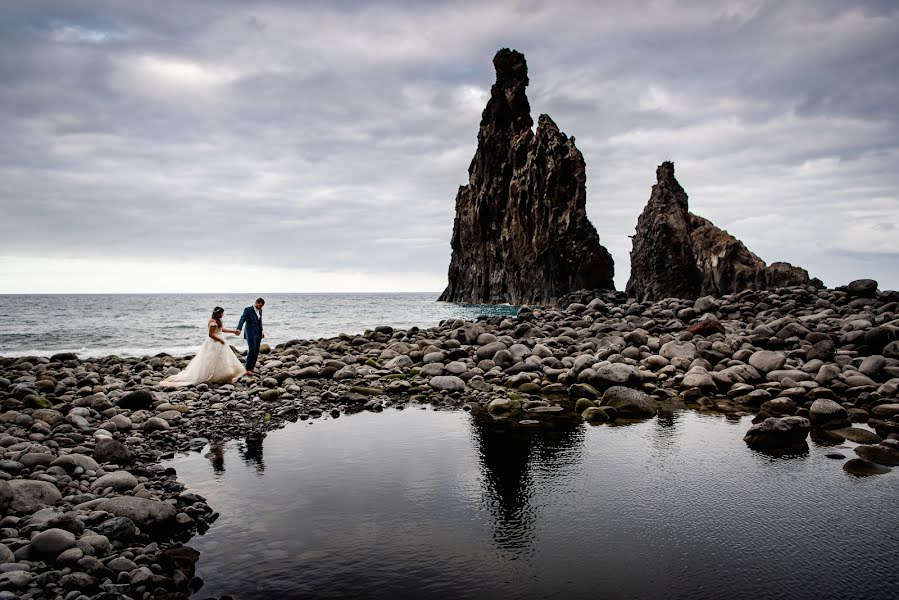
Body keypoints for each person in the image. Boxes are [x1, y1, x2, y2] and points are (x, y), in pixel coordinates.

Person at [159, 307, 245, 387]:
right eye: (222, 313)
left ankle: (222, 376)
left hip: (220, 341)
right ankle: (210, 376)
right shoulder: (212, 322)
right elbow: (211, 334)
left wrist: (233, 331)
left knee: (221, 358)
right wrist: (220, 340)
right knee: (212, 359)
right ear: (218, 313)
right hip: (214, 342)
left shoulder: (218, 320)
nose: (223, 314)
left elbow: (221, 329)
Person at [236, 297, 265, 375]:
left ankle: (252, 368)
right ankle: (248, 368)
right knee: (252, 350)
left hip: (258, 333)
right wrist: (239, 329)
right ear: (257, 303)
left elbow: (260, 322)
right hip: (250, 333)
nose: (261, 307)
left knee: (256, 350)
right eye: (260, 305)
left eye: (262, 306)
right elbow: (242, 319)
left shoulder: (260, 310)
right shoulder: (248, 310)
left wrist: (261, 331)